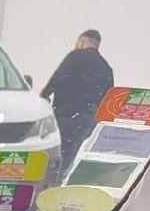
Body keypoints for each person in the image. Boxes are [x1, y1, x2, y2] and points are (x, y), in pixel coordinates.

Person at [42, 29, 114, 175]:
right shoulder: (106, 67)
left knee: (57, 152)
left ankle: (52, 180)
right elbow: (109, 97)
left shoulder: (75, 56)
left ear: (82, 41)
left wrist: (44, 95)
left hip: (66, 114)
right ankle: (65, 178)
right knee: (73, 153)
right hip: (89, 119)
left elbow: (59, 77)